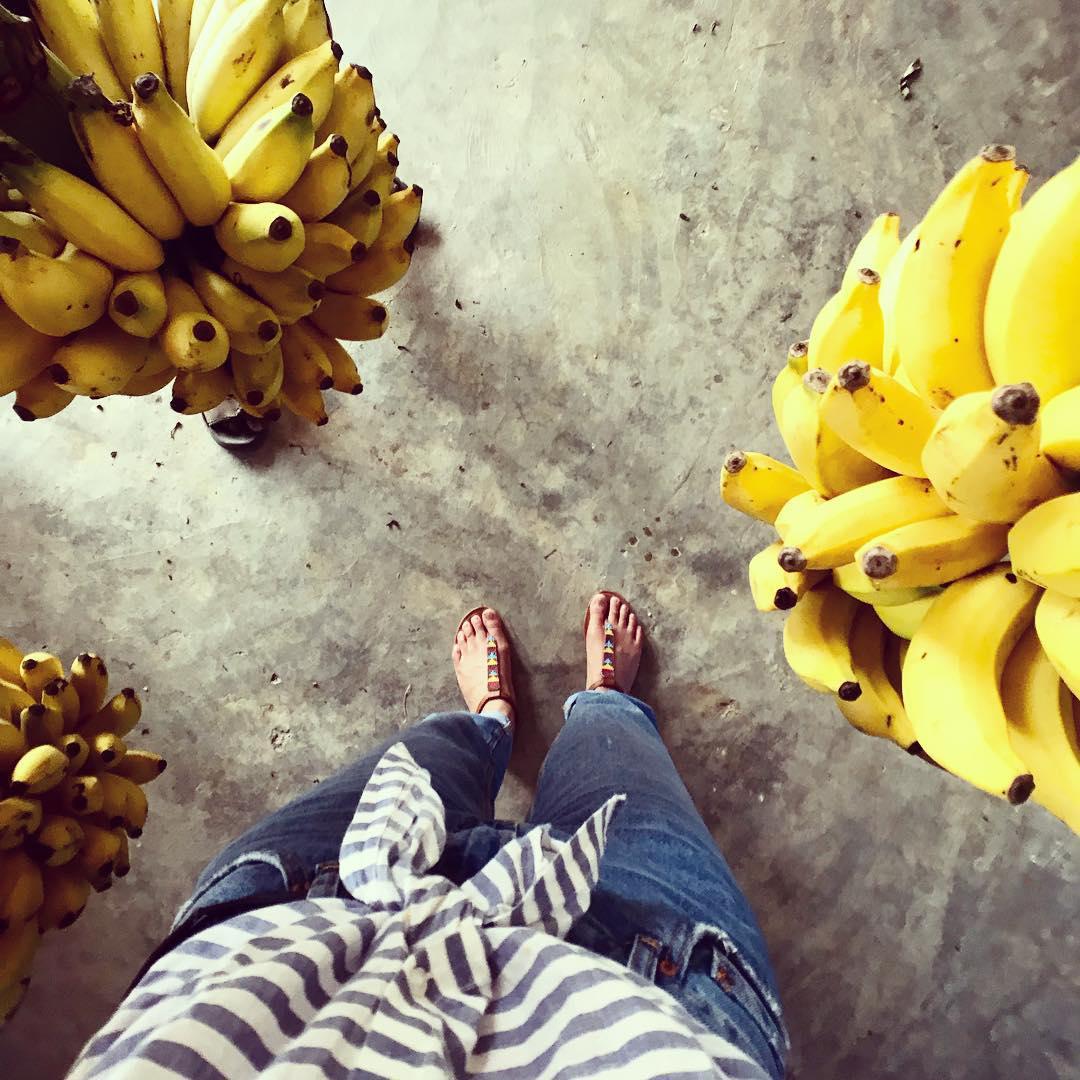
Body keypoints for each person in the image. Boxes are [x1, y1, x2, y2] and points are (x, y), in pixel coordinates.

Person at [69, 593, 788, 1079]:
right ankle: (604, 701)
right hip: (646, 981)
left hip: (299, 913)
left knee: (433, 751)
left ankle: (491, 721)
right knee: (617, 758)